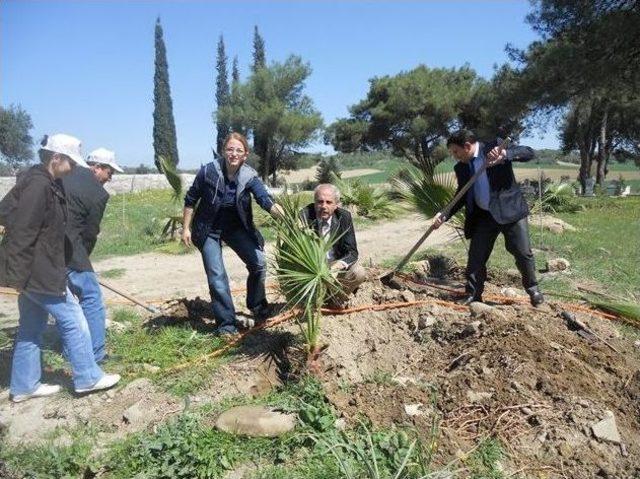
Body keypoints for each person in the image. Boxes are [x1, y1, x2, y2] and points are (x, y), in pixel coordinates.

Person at [0, 134, 120, 402]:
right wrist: (18, 275)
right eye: (72, 163)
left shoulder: (39, 180)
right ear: (56, 158)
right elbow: (23, 231)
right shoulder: (39, 186)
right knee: (73, 317)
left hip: (34, 268)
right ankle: (88, 376)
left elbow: (5, 211)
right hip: (39, 269)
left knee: (31, 325)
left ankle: (24, 385)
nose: (75, 169)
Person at [182, 132, 283, 335]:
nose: (233, 153)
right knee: (217, 276)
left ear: (245, 154)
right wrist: (186, 227)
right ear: (223, 151)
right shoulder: (208, 172)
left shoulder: (249, 175)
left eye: (239, 150)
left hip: (236, 228)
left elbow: (264, 198)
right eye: (230, 149)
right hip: (208, 229)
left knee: (259, 263)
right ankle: (226, 325)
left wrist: (279, 212)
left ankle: (256, 305)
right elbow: (191, 199)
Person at [432, 129, 544, 307]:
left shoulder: (495, 147)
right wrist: (444, 214)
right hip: (483, 216)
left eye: (455, 151)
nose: (454, 156)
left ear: (467, 146)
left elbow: (528, 152)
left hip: (511, 211)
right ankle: (473, 295)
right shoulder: (461, 167)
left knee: (523, 253)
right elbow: (461, 195)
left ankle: (533, 290)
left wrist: (506, 154)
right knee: (476, 257)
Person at [63, 148, 124, 363]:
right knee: (91, 298)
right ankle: (96, 353)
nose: (109, 178)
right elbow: (90, 233)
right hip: (71, 250)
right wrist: (83, 261)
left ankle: (70, 351)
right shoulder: (98, 194)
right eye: (110, 173)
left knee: (66, 301)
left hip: (47, 250)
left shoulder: (64, 175)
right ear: (97, 168)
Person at [299, 183, 367, 302]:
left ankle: (333, 299)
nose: (323, 206)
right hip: (311, 270)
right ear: (314, 203)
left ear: (336, 205)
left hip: (334, 268)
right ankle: (313, 299)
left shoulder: (343, 217)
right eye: (320, 202)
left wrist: (337, 266)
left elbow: (352, 252)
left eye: (329, 202)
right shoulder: (304, 216)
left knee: (359, 273)